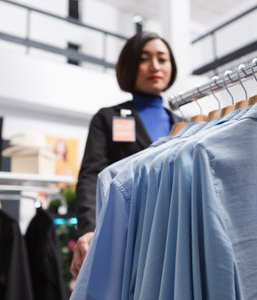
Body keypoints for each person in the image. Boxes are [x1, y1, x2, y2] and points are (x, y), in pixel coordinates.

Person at [71, 31, 182, 277]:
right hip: (126, 234)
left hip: (178, 233)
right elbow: (91, 176)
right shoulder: (107, 118)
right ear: (130, 66)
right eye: (144, 58)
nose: (155, 66)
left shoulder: (184, 124)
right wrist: (89, 229)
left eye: (162, 59)